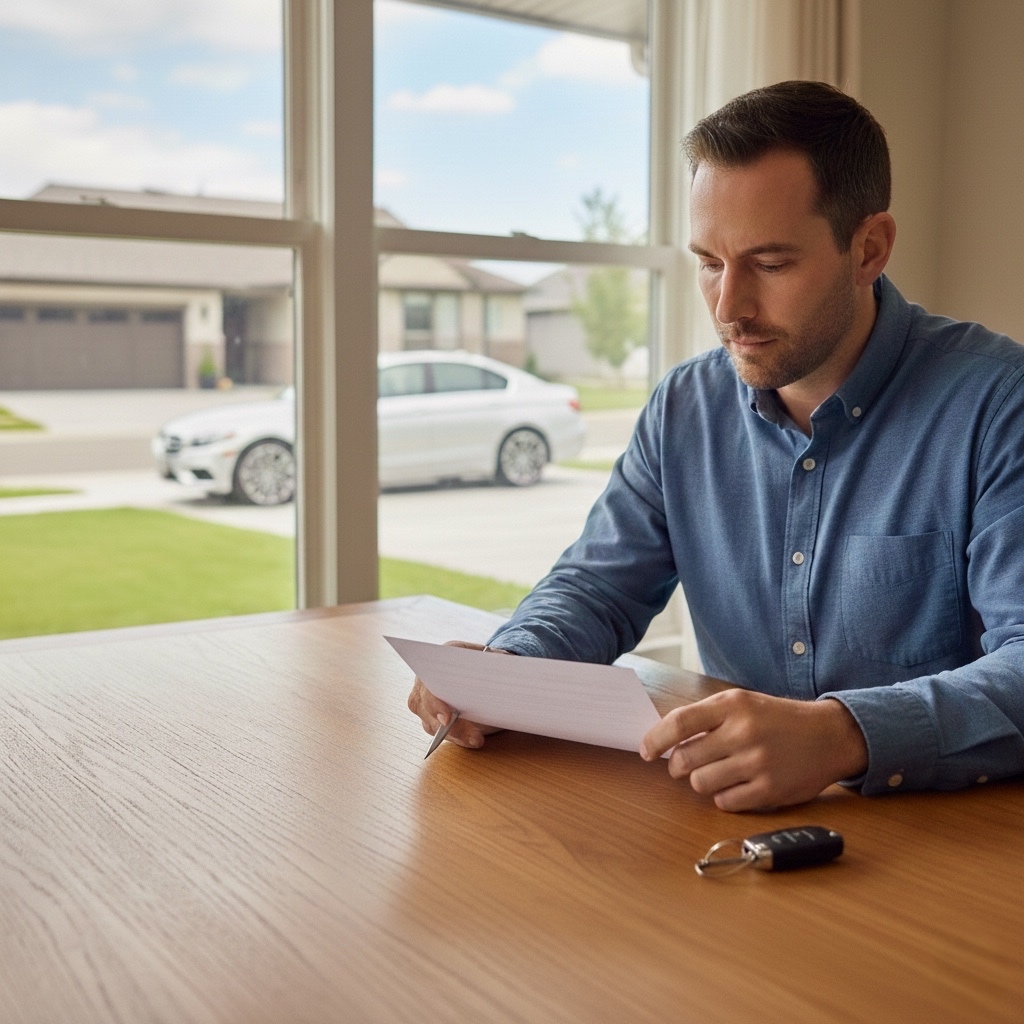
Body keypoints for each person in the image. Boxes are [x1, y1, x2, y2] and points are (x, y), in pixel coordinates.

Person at [407, 80, 1024, 812]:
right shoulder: (684, 407)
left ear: (869, 249)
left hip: (953, 842)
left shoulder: (997, 404)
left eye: (770, 263)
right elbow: (599, 587)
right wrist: (511, 669)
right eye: (709, 262)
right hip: (733, 829)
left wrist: (840, 735)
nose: (729, 307)